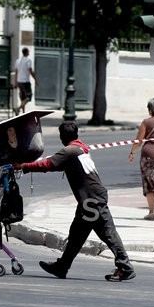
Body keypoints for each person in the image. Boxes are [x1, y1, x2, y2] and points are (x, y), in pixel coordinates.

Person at [14, 121, 136, 282]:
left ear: (62, 137)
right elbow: (57, 165)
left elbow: (48, 164)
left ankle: (125, 267)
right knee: (77, 235)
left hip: (91, 200)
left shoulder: (70, 150)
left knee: (107, 233)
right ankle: (62, 267)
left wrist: (23, 166)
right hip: (91, 199)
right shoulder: (80, 148)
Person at [12, 47, 36, 115]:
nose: (29, 52)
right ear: (26, 52)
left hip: (19, 81)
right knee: (28, 97)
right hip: (25, 81)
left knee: (23, 97)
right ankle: (18, 108)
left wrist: (15, 82)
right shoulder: (28, 60)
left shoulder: (18, 60)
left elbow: (16, 72)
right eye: (28, 51)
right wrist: (35, 79)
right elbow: (30, 70)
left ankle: (23, 112)